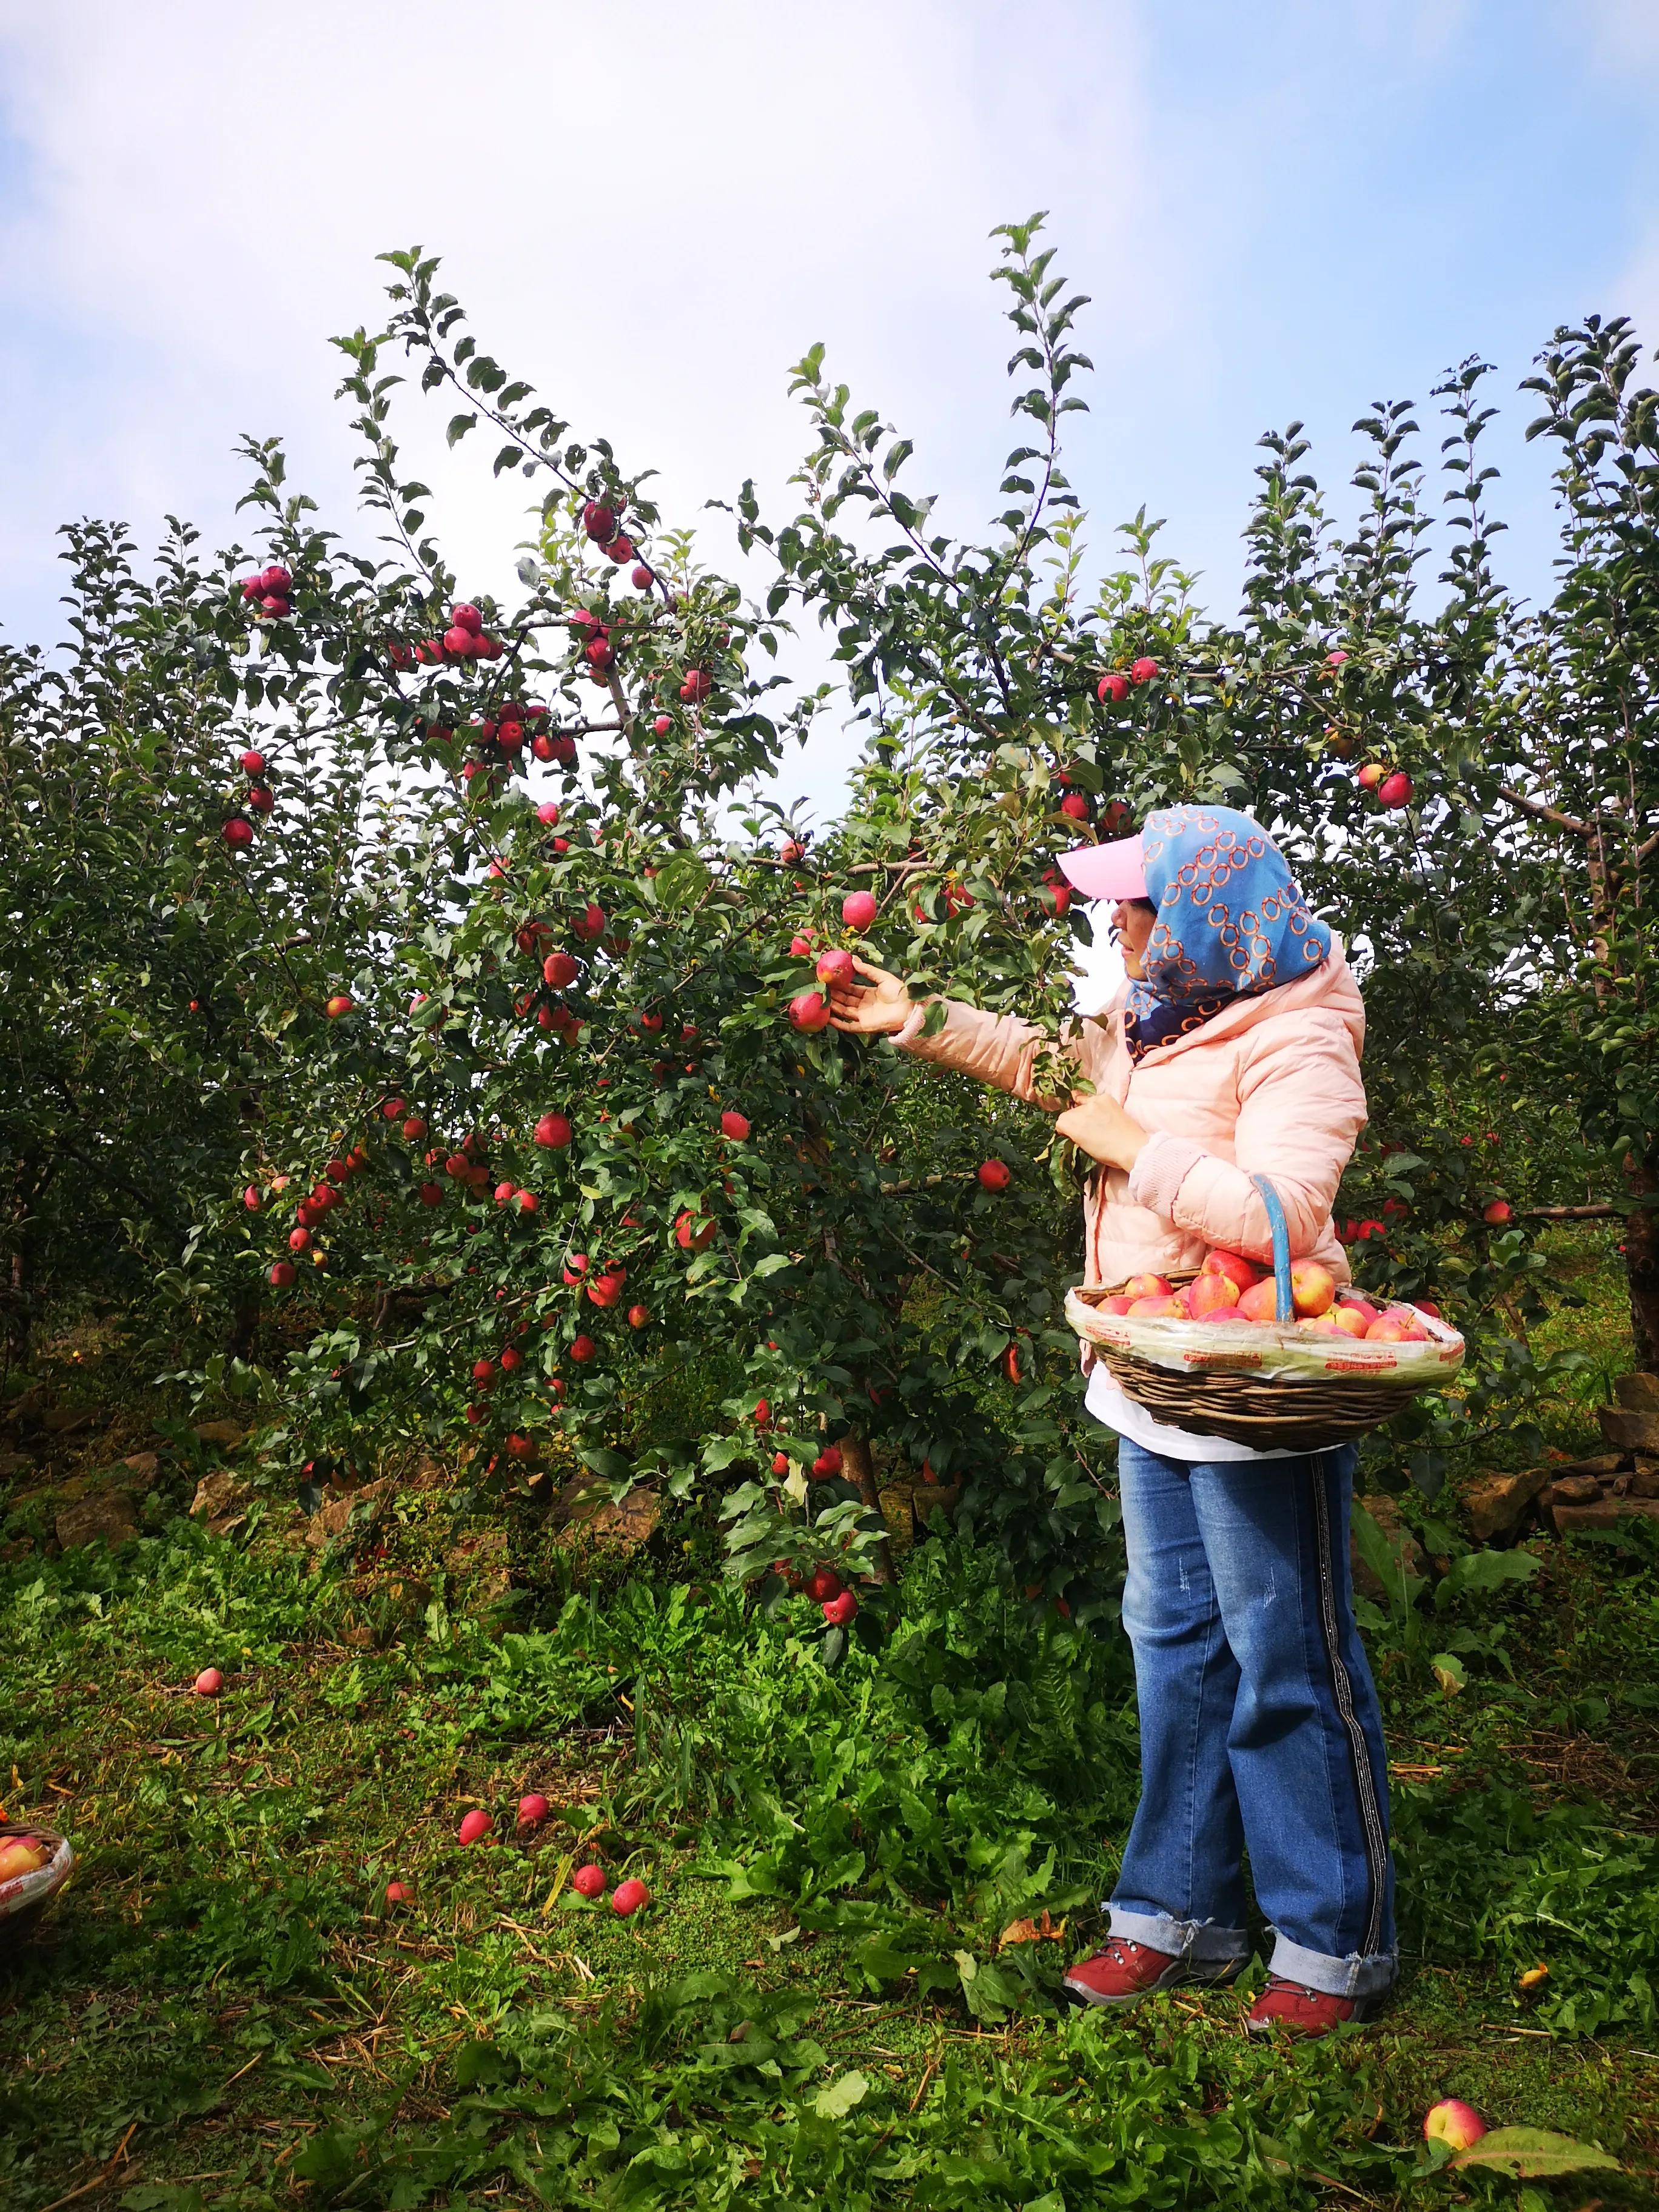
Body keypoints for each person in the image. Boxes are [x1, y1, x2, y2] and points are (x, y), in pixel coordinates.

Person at [828, 803, 1395, 2039]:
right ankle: (1178, 1916)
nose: (1116, 918)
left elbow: (1286, 1220)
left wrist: (1131, 1146)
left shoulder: (1296, 1029)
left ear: (1198, 912)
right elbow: (1056, 1065)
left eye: (1136, 901)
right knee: (1173, 1644)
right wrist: (922, 1020)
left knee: (1286, 1657)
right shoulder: (1159, 1008)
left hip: (1255, 1385)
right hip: (1149, 1369)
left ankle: (1331, 1935)